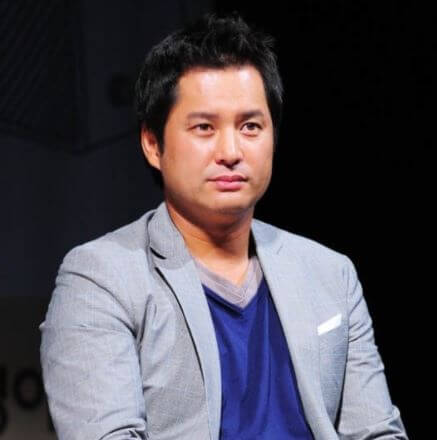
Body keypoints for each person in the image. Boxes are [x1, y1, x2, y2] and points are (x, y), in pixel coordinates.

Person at [40, 12, 408, 440]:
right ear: (153, 144)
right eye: (204, 127)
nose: (231, 151)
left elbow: (378, 432)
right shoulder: (101, 278)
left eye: (250, 126)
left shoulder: (331, 273)